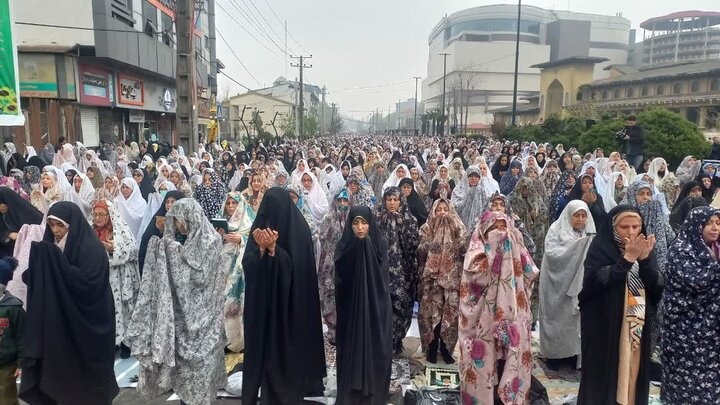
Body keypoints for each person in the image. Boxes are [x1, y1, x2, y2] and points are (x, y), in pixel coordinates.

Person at [126, 199, 227, 405]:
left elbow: (199, 276)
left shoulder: (211, 241)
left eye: (181, 220)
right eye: (176, 221)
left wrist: (171, 252)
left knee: (201, 372)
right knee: (184, 373)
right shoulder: (179, 241)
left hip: (205, 322)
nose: (179, 225)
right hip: (180, 320)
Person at [21, 202, 118, 404]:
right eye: (51, 225)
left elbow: (89, 283)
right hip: (61, 321)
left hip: (89, 321)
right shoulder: (51, 246)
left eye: (60, 225)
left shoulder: (91, 249)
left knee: (87, 376)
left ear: (71, 225)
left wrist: (54, 262)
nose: (55, 230)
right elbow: (43, 277)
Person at [241, 188, 326, 404]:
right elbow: (248, 265)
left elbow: (299, 271)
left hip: (290, 308)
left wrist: (274, 251)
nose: (271, 215)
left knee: (288, 353)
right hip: (263, 305)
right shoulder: (258, 229)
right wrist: (260, 250)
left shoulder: (299, 230)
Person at [578, 205, 664, 405]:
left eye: (636, 226)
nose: (632, 232)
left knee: (632, 371)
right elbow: (594, 283)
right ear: (613, 227)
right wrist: (626, 260)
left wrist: (645, 262)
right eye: (625, 227)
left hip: (636, 323)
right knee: (605, 375)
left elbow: (657, 287)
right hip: (605, 327)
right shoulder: (600, 248)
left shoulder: (645, 249)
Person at [459, 211, 538, 404]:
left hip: (513, 314)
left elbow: (530, 273)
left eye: (504, 227)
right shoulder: (475, 253)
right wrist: (495, 259)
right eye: (494, 228)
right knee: (482, 359)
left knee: (509, 359)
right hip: (480, 320)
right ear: (484, 231)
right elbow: (473, 280)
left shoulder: (516, 247)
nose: (500, 233)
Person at [334, 206, 392, 405]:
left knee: (375, 346)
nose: (360, 228)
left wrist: (365, 248)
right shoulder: (343, 246)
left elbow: (382, 281)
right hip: (351, 311)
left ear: (371, 224)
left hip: (374, 308)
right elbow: (341, 281)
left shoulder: (379, 243)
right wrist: (357, 250)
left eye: (364, 223)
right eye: (355, 223)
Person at [662, 206, 720, 403]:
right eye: (709, 223)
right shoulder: (681, 249)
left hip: (710, 333)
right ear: (696, 225)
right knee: (685, 383)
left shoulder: (715, 248)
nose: (714, 228)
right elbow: (696, 282)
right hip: (685, 330)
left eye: (718, 223)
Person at [539, 200, 596, 372]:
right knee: (556, 319)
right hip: (556, 284)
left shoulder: (589, 234)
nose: (580, 219)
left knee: (574, 322)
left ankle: (572, 355)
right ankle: (553, 356)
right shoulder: (556, 230)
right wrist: (577, 247)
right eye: (576, 215)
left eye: (583, 215)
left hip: (578, 284)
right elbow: (551, 254)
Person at [417, 198, 466, 364]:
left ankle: (446, 349)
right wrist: (434, 243)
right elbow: (420, 252)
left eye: (446, 209)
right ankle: (431, 347)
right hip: (432, 282)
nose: (443, 213)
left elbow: (464, 248)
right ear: (434, 212)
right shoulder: (427, 228)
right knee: (430, 314)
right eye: (439, 210)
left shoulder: (458, 227)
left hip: (452, 281)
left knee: (450, 314)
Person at [375, 187, 420, 354]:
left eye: (395, 199)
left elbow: (413, 246)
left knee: (402, 305)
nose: (392, 203)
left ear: (401, 201)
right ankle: (383, 340)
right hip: (382, 272)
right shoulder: (377, 220)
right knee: (383, 305)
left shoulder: (410, 221)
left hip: (404, 272)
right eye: (389, 199)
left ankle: (397, 340)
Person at [218, 192, 254, 353]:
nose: (231, 206)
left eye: (234, 203)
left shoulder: (248, 221)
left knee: (237, 303)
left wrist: (241, 240)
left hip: (239, 272)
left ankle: (239, 339)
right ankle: (224, 339)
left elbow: (254, 242)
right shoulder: (220, 220)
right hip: (222, 269)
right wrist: (217, 236)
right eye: (228, 203)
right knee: (221, 303)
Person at [317, 189, 351, 342]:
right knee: (329, 295)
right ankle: (332, 329)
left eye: (345, 201)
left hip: (348, 263)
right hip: (329, 264)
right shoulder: (328, 218)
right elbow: (322, 238)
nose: (342, 204)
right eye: (340, 201)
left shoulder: (353, 218)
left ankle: (347, 328)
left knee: (346, 294)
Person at [0, 257, 24, 405]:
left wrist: (22, 363)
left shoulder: (14, 308)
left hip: (7, 366)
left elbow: (22, 337)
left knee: (6, 399)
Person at [0, 188, 43, 258]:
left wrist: (21, 236)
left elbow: (37, 233)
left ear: (8, 201)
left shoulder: (27, 213)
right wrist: (7, 234)